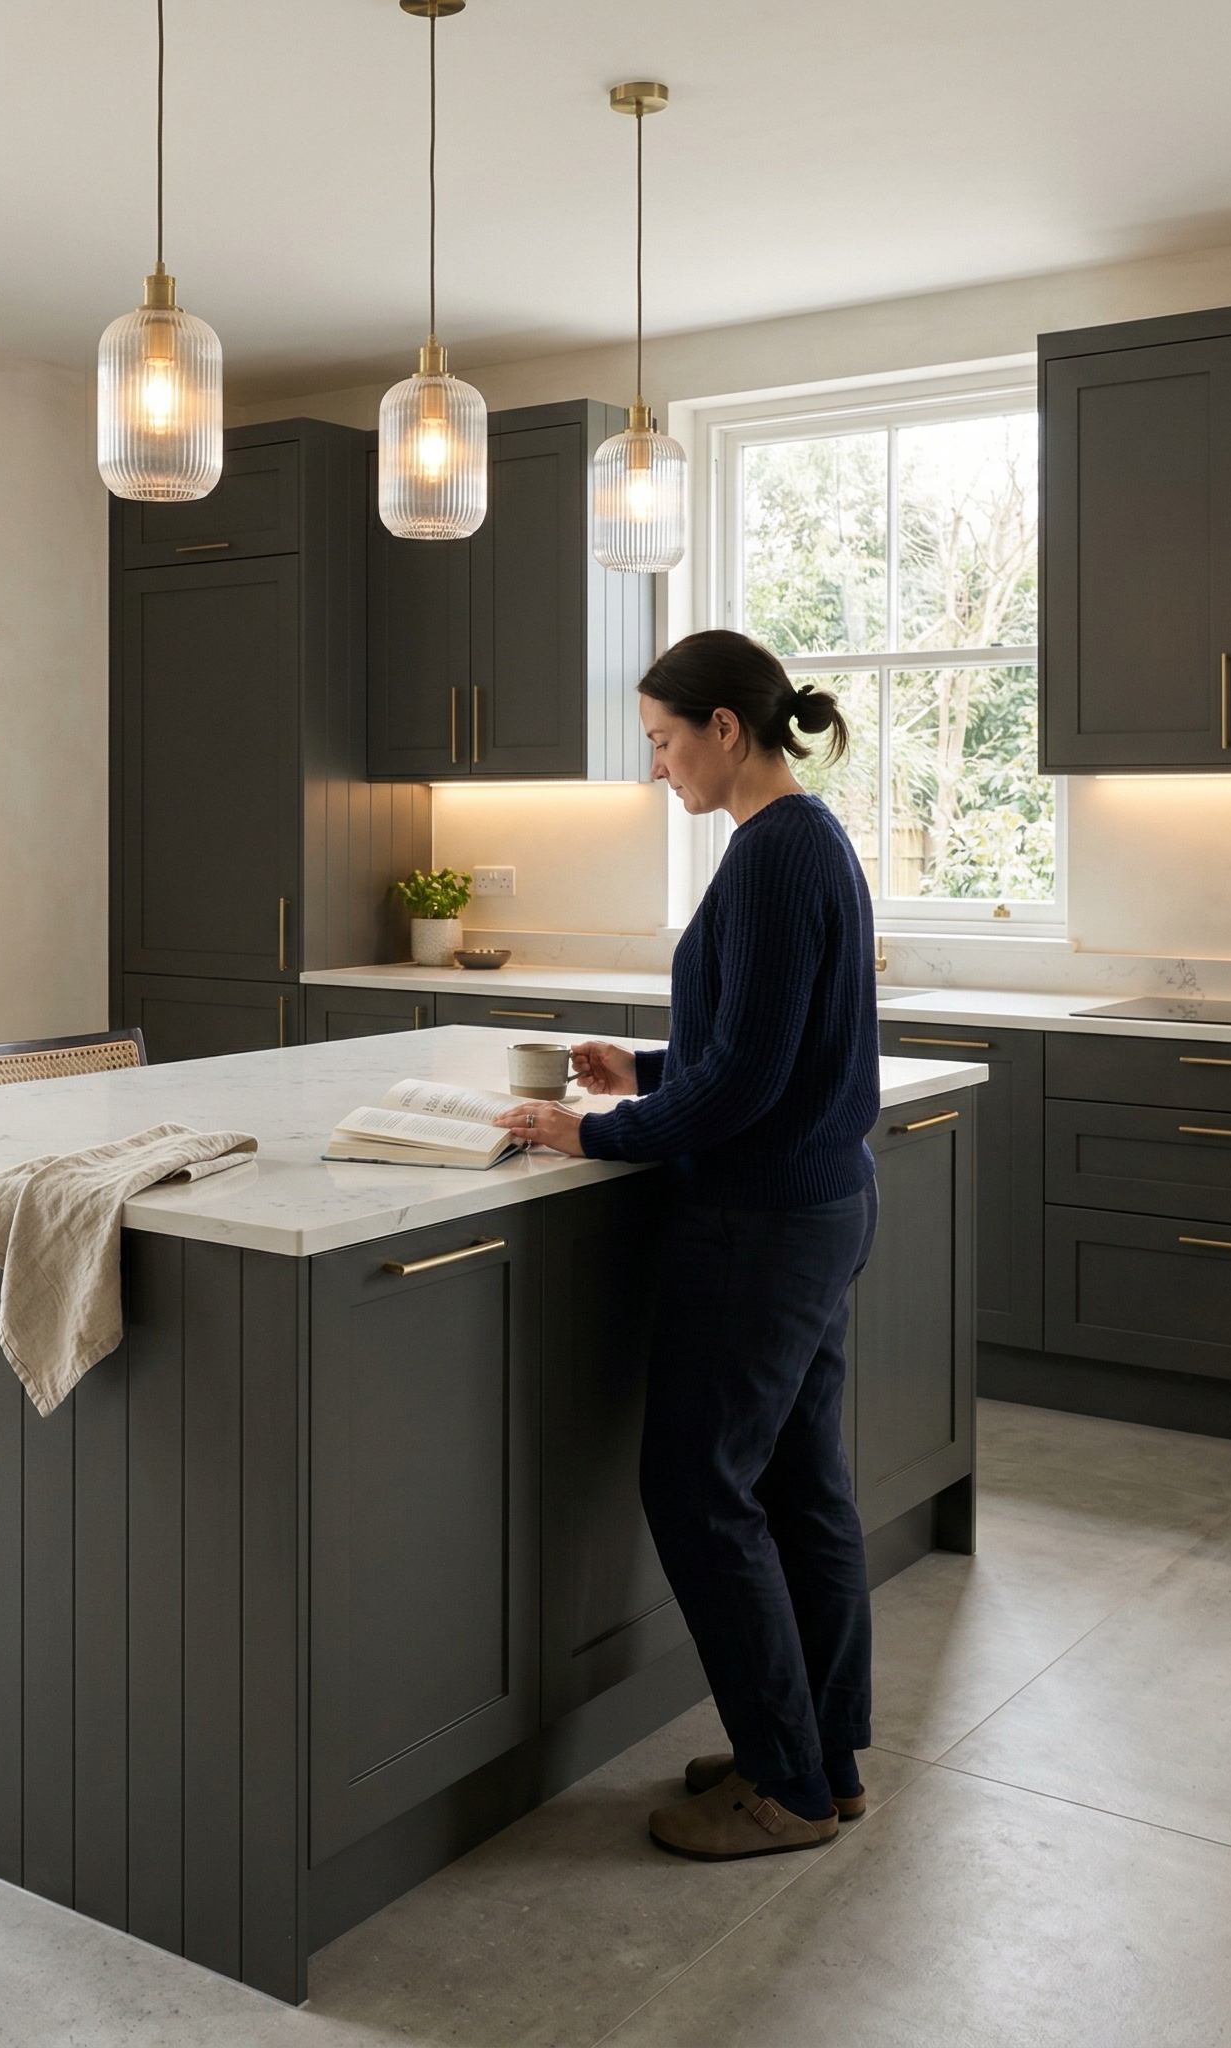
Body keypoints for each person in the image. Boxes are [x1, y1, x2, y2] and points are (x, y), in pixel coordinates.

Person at [493, 628, 879, 1860]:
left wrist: (594, 1130)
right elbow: (777, 1046)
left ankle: (783, 1786)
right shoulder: (805, 838)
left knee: (698, 1488)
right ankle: (823, 1756)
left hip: (761, 1219)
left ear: (725, 728)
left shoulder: (771, 857)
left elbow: (754, 1081)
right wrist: (648, 1066)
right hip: (816, 1202)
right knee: (797, 1485)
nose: (656, 765)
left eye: (662, 740)